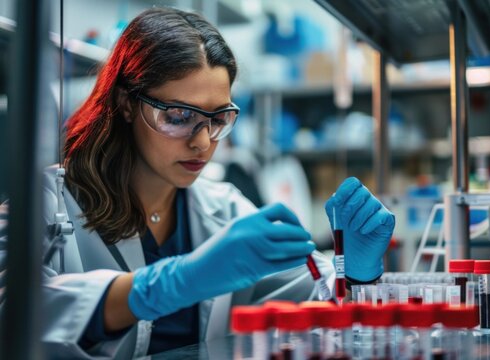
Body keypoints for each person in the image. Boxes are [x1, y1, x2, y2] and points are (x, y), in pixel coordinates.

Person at [0, 7, 394, 359]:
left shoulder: (224, 207)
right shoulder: (43, 203)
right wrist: (167, 284)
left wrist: (356, 272)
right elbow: (11, 314)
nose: (203, 142)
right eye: (178, 116)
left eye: (217, 118)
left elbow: (316, 298)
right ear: (124, 103)